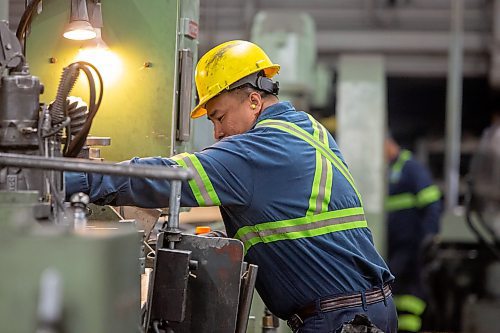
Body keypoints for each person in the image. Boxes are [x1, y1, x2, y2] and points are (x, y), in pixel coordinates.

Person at [66, 40, 397, 332]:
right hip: (361, 311)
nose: (217, 133)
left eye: (219, 117)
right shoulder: (305, 128)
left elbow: (170, 176)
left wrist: (70, 178)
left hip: (339, 320)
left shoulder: (260, 151)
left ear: (254, 101)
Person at [384, 136, 442, 333]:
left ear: (390, 144)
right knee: (398, 289)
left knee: (408, 290)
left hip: (410, 243)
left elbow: (431, 202)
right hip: (394, 244)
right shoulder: (387, 171)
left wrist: (429, 235)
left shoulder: (410, 167)